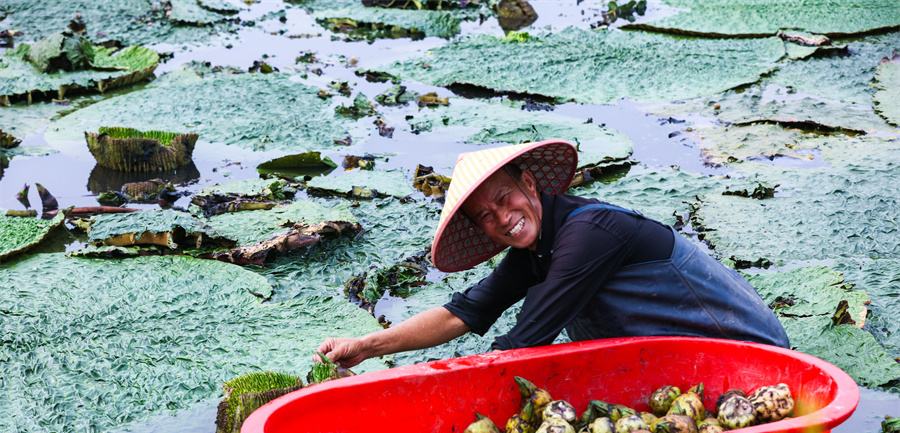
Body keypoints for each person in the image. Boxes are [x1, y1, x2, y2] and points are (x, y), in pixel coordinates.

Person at [317, 139, 789, 368]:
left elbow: (525, 337)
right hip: (676, 363)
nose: (501, 218)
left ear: (529, 184)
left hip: (751, 357)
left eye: (504, 198)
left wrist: (453, 379)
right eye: (484, 216)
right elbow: (465, 311)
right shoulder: (538, 246)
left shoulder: (591, 232)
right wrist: (367, 346)